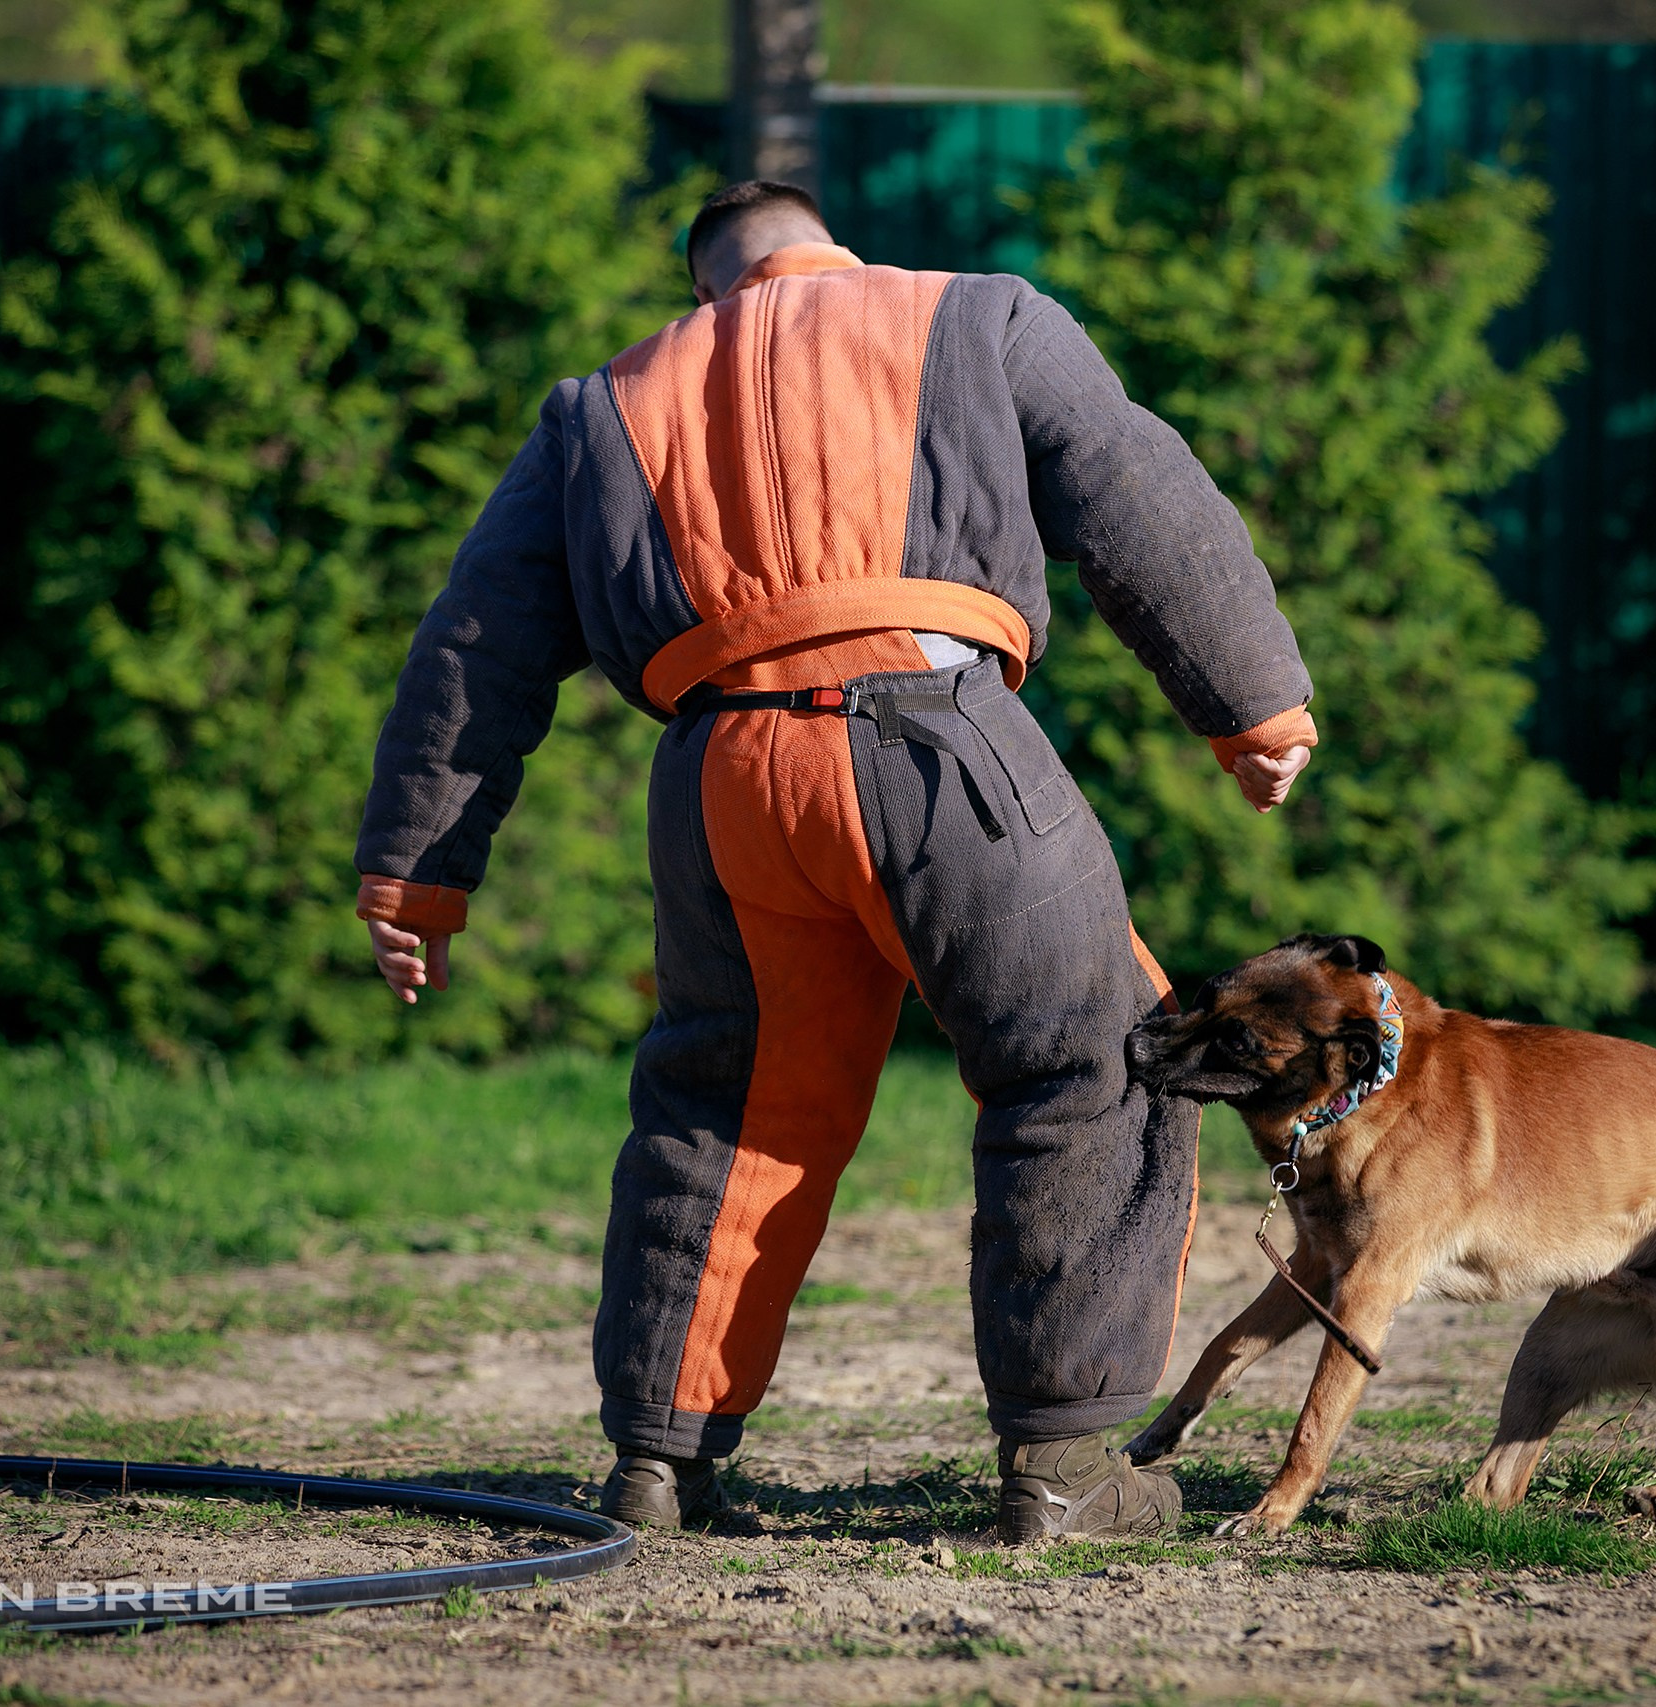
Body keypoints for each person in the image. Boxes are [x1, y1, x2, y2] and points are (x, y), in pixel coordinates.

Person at [355, 181, 1316, 1541]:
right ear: (831, 249)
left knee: (727, 1107)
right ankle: (1066, 1463)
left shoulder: (600, 406)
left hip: (723, 780)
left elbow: (479, 642)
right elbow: (1139, 490)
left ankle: (658, 1463)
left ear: (706, 293)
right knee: (1098, 1055)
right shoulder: (976, 316)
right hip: (938, 738)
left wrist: (418, 873)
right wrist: (1254, 707)